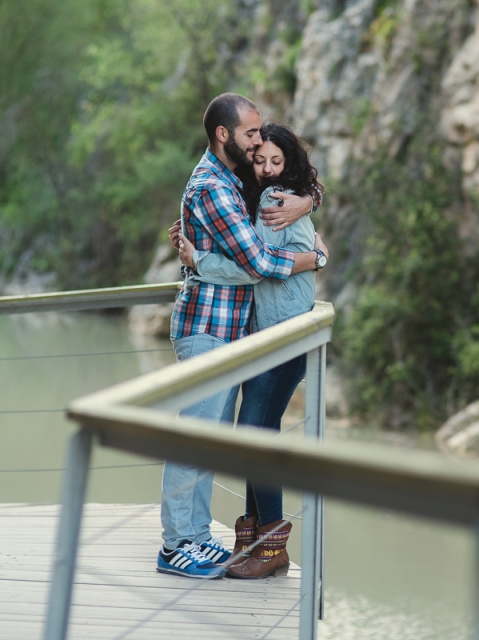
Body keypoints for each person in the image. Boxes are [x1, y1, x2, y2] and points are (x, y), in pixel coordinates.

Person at [158, 93, 324, 580]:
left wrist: (310, 200)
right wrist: (314, 259)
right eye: (251, 136)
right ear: (224, 135)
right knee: (196, 437)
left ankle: (196, 534)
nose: (258, 146)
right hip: (208, 327)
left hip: (235, 330)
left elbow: (292, 179)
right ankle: (176, 544)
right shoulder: (215, 186)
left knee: (208, 438)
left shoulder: (235, 179)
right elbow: (259, 264)